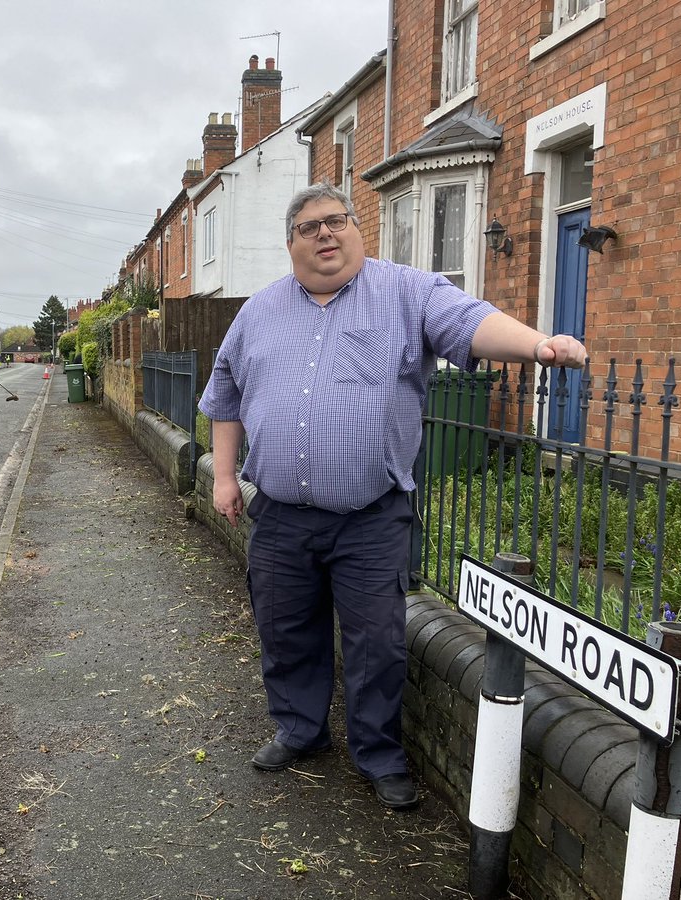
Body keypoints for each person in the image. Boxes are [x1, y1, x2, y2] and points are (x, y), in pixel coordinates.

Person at [198, 182, 586, 811]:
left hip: (370, 516)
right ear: (290, 242)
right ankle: (300, 731)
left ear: (357, 229)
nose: (327, 233)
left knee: (378, 641)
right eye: (310, 226)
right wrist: (221, 477)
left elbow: (468, 321)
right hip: (280, 516)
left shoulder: (407, 293)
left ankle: (378, 754)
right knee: (284, 628)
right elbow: (226, 393)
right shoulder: (259, 312)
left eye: (338, 221)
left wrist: (536, 345)